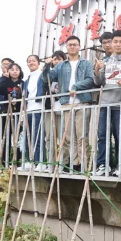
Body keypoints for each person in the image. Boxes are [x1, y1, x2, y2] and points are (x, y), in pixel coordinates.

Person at [42, 35, 95, 174]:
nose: (72, 47)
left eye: (75, 44)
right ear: (66, 47)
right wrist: (46, 66)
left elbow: (90, 80)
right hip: (66, 103)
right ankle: (73, 163)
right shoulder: (60, 65)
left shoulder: (86, 63)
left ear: (79, 47)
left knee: (82, 135)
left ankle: (82, 164)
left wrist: (76, 86)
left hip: (82, 102)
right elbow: (47, 79)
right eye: (70, 44)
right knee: (69, 136)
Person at [93, 30, 121, 177]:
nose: (117, 44)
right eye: (115, 41)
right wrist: (97, 70)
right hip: (104, 104)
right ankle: (103, 165)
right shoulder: (105, 61)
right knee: (102, 135)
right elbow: (98, 82)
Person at [0, 62, 25, 168]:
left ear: (20, 71)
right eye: (12, 70)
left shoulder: (23, 83)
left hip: (18, 113)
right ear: (8, 71)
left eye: (17, 70)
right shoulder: (6, 82)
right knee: (5, 137)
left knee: (18, 138)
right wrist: (5, 78)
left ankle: (18, 161)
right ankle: (4, 161)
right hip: (6, 113)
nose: (15, 72)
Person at [43, 50, 67, 167]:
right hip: (50, 106)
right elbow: (44, 82)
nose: (57, 61)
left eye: (59, 59)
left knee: (64, 136)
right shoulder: (49, 73)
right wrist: (46, 66)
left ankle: (63, 162)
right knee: (50, 136)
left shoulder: (67, 72)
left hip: (64, 106)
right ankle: (51, 162)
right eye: (55, 59)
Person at [22, 55, 45, 172]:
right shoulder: (27, 80)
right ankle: (30, 161)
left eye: (34, 61)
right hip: (28, 110)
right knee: (27, 137)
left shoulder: (42, 75)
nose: (31, 63)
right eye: (29, 61)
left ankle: (41, 161)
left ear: (38, 62)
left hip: (38, 108)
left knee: (38, 136)